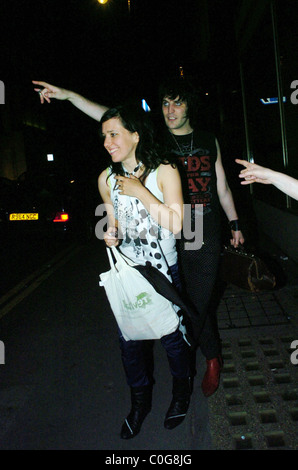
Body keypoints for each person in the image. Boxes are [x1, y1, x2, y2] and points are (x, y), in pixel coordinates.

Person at [33, 79, 245, 397]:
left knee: (197, 302)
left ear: (190, 106)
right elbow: (111, 118)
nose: (170, 110)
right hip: (165, 231)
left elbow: (222, 187)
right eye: (165, 104)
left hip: (202, 228)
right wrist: (69, 96)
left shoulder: (208, 139)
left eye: (178, 103)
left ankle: (207, 357)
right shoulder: (154, 137)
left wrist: (235, 222)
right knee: (179, 300)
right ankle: (189, 350)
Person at [98, 104, 192, 439]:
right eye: (105, 136)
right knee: (130, 345)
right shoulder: (107, 179)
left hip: (164, 273)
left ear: (135, 135)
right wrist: (112, 234)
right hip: (130, 275)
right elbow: (115, 223)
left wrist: (140, 191)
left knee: (173, 342)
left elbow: (179, 224)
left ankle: (181, 394)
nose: (108, 142)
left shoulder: (163, 170)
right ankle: (139, 405)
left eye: (114, 134)